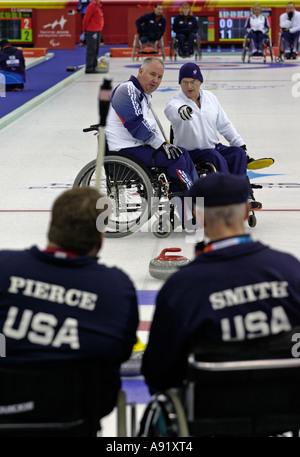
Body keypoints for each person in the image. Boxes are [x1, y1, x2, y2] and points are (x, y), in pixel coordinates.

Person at [142, 173, 300, 391]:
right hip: (286, 409)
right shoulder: (290, 270)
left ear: (197, 216)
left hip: (211, 415)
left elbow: (158, 370)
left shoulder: (182, 287)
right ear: (246, 212)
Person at [0, 186, 139, 419]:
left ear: (52, 227)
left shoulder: (4, 267)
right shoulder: (114, 287)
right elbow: (120, 353)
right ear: (100, 239)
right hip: (74, 418)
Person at [164, 62, 261, 210]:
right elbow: (170, 111)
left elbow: (224, 124)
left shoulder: (210, 98)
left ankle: (244, 195)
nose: (189, 86)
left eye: (193, 81)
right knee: (215, 156)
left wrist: (239, 143)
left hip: (213, 146)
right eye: (185, 82)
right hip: (192, 153)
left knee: (238, 154)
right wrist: (181, 110)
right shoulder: (175, 102)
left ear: (200, 82)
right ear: (180, 83)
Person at [105, 57, 199, 197]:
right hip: (125, 149)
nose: (156, 80)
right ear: (141, 71)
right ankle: (187, 205)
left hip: (136, 146)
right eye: (152, 74)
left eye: (160, 77)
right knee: (175, 158)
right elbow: (136, 126)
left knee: (182, 152)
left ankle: (199, 195)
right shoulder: (127, 90)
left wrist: (164, 145)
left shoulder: (142, 95)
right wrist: (161, 145)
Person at [82, 0, 104, 73]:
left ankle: (94, 66)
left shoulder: (98, 5)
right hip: (92, 30)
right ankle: (89, 68)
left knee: (96, 49)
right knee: (92, 49)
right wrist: (84, 29)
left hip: (98, 30)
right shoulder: (92, 5)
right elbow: (86, 18)